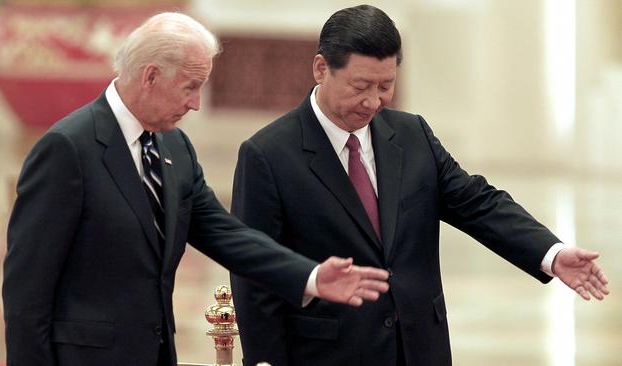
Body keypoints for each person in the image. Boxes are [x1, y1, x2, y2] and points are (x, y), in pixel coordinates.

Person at [2, 12, 392, 366]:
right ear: (150, 76)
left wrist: (309, 276)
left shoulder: (174, 147)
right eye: (190, 87)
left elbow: (226, 234)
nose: (196, 104)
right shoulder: (68, 148)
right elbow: (26, 292)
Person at [229, 4, 609, 366]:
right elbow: (255, 279)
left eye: (386, 85)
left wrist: (552, 253)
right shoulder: (267, 155)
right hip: (328, 354)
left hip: (420, 349)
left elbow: (479, 203)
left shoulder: (412, 136)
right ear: (320, 69)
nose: (373, 101)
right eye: (360, 85)